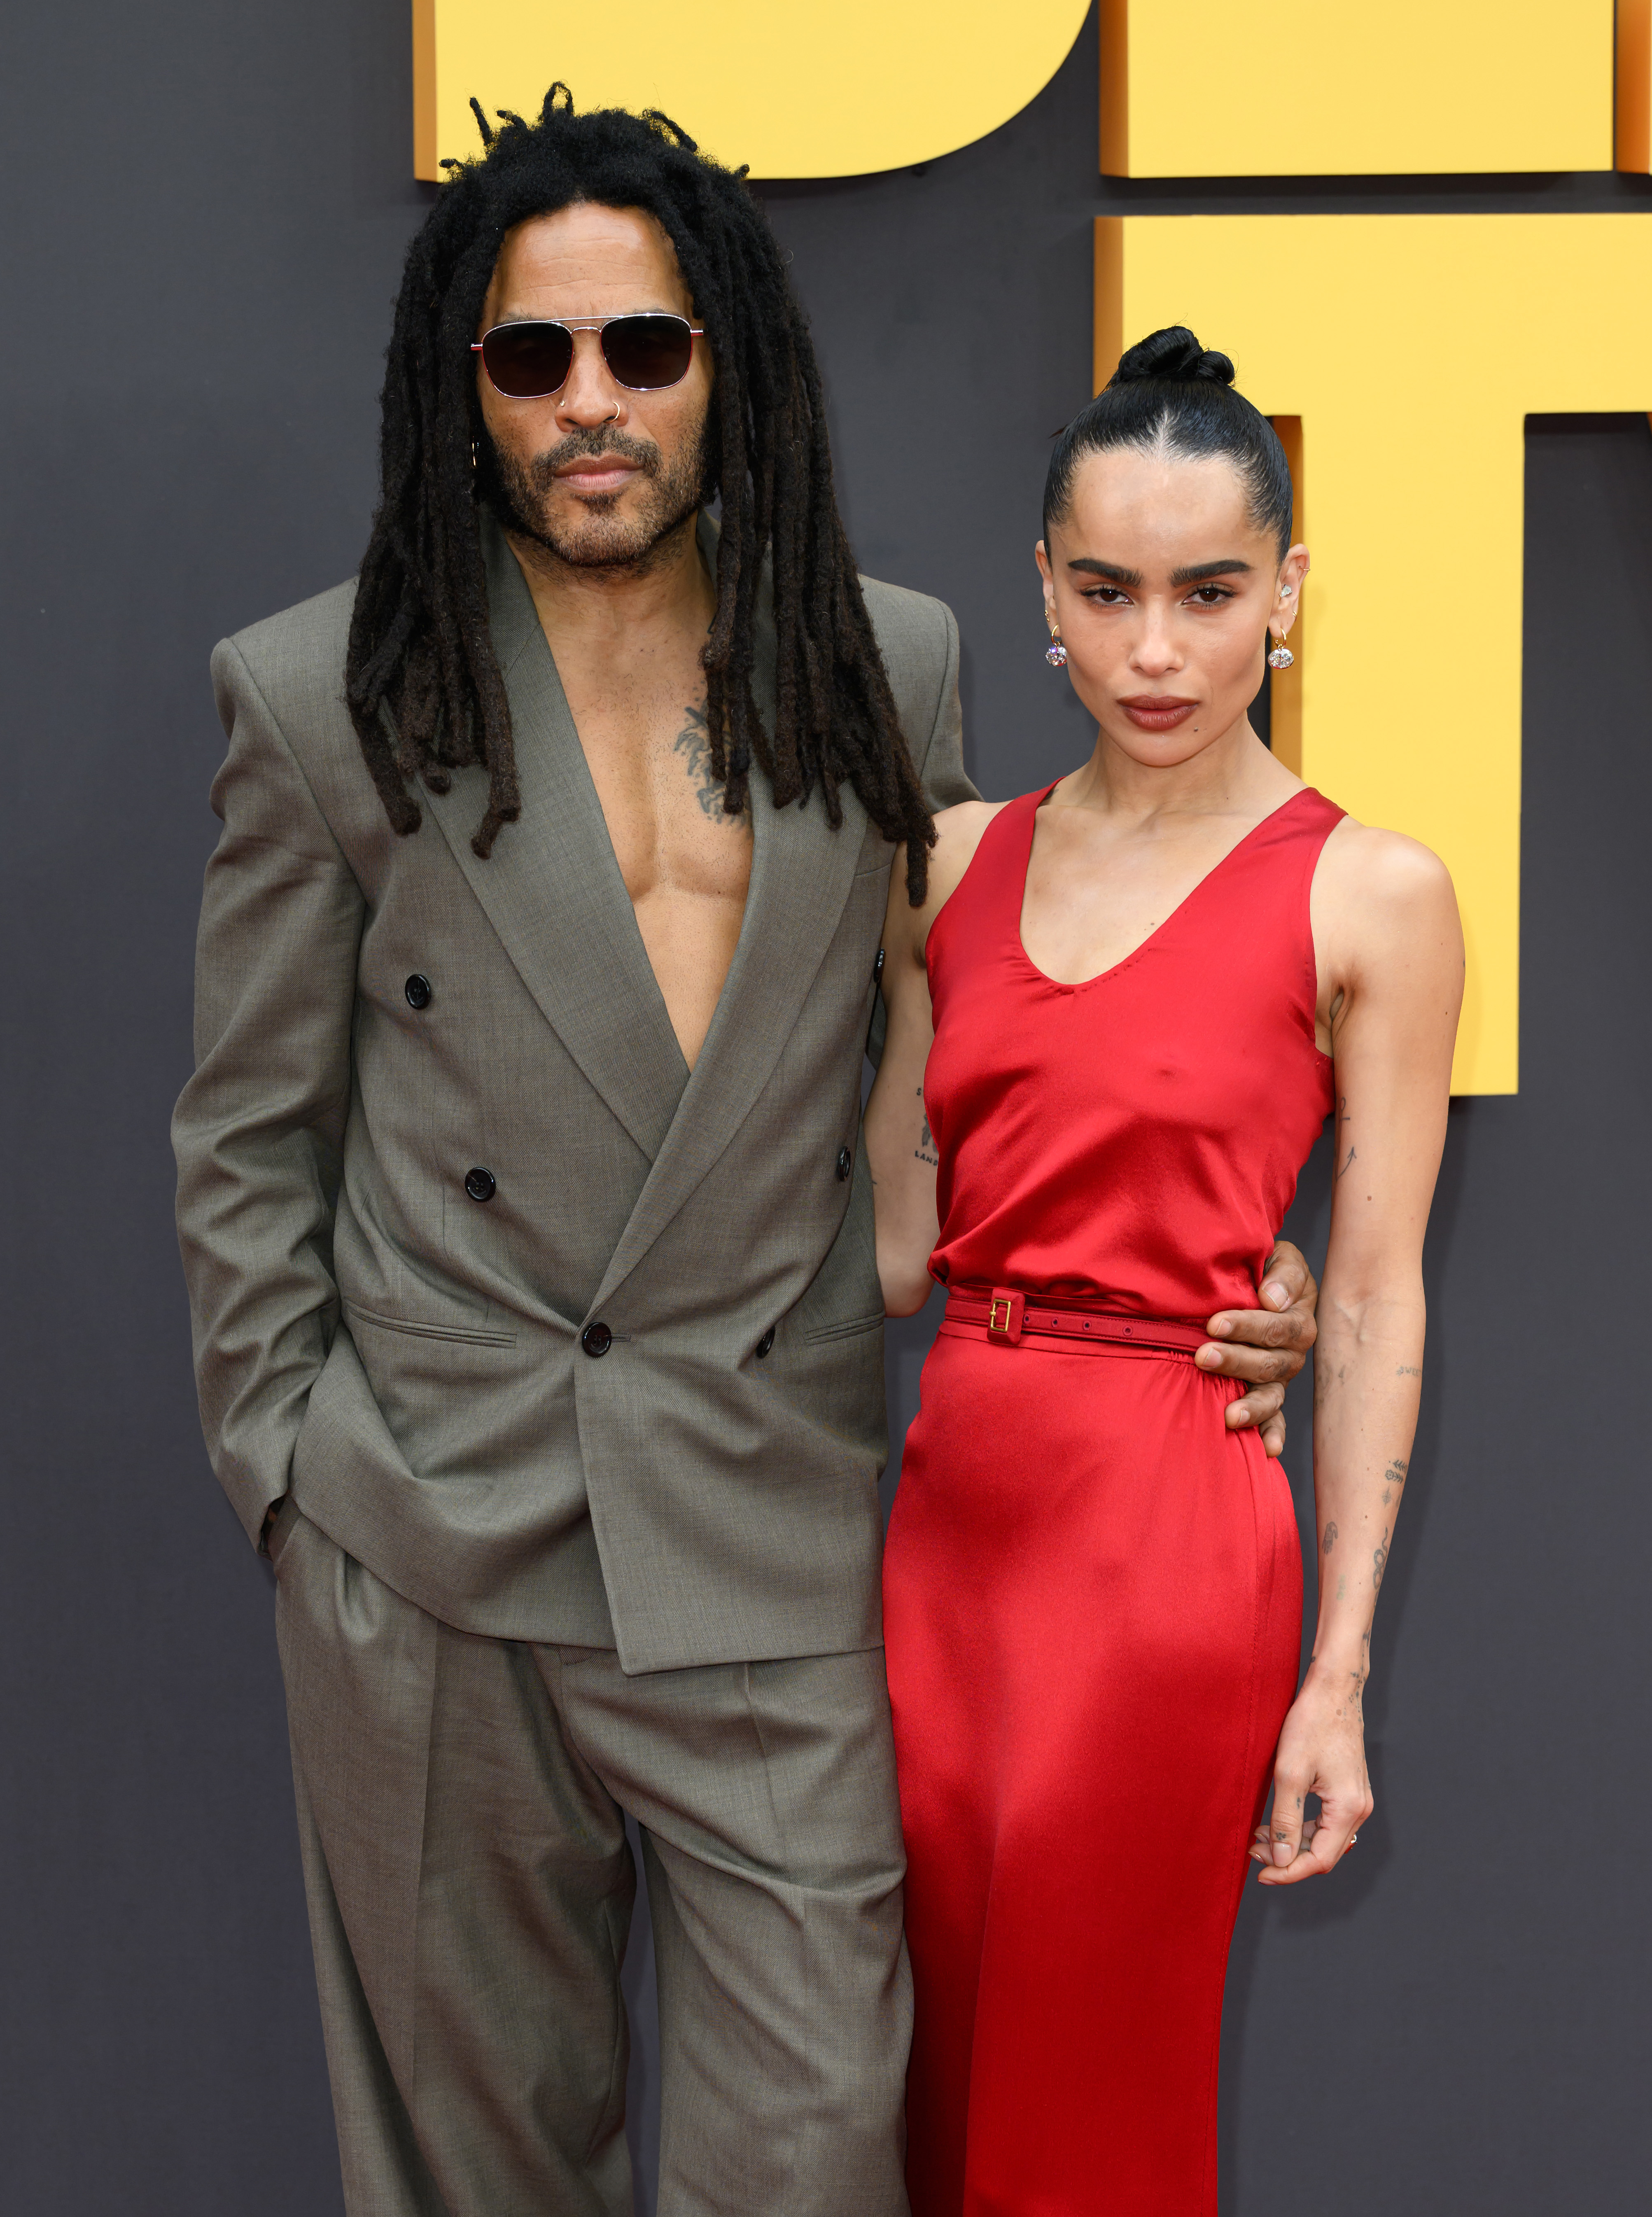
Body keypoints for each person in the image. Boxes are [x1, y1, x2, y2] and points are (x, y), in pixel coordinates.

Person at [172, 87, 1318, 2217]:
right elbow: (242, 1135)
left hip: (763, 1522)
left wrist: (1230, 1274)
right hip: (428, 1537)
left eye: (642, 348)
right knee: (478, 2174)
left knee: (809, 2153)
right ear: (467, 389)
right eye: (532, 357)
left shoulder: (885, 667)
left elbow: (989, 1056)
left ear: (728, 363)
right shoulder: (326, 695)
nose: (588, 403)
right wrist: (295, 1480)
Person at [866, 327, 1463, 2216]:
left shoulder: (1369, 889)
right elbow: (887, 1248)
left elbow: (1370, 1292)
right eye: (1107, 591)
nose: (1152, 651)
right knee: (908, 2087)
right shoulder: (949, 861)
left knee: (1081, 2102)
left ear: (1288, 590)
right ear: (1038, 586)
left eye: (1208, 593)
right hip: (942, 1528)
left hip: (1166, 1544)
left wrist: (1338, 1676)